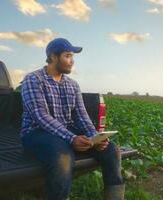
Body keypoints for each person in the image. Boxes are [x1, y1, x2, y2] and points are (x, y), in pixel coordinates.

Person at [20, 38, 125, 200]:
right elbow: (40, 116)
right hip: (36, 132)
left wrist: (95, 138)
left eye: (72, 57)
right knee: (63, 156)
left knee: (112, 150)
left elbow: (81, 115)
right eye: (68, 56)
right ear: (54, 57)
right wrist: (72, 138)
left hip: (66, 131)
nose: (72, 61)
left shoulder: (73, 85)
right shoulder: (33, 79)